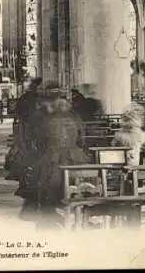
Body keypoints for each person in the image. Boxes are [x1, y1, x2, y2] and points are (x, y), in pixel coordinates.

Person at [35, 92, 89, 228]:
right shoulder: (75, 118)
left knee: (47, 177)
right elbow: (82, 139)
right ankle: (79, 205)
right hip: (74, 154)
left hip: (52, 155)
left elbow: (40, 141)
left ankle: (51, 207)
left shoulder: (47, 120)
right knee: (79, 178)